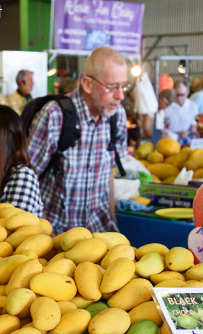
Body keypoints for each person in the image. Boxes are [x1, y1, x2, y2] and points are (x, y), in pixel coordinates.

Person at [27, 46, 128, 234]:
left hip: (99, 231)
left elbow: (110, 173)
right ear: (87, 84)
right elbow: (27, 177)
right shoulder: (55, 116)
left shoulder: (117, 115)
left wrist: (113, 221)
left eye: (124, 86)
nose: (120, 95)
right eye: (112, 87)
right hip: (55, 234)